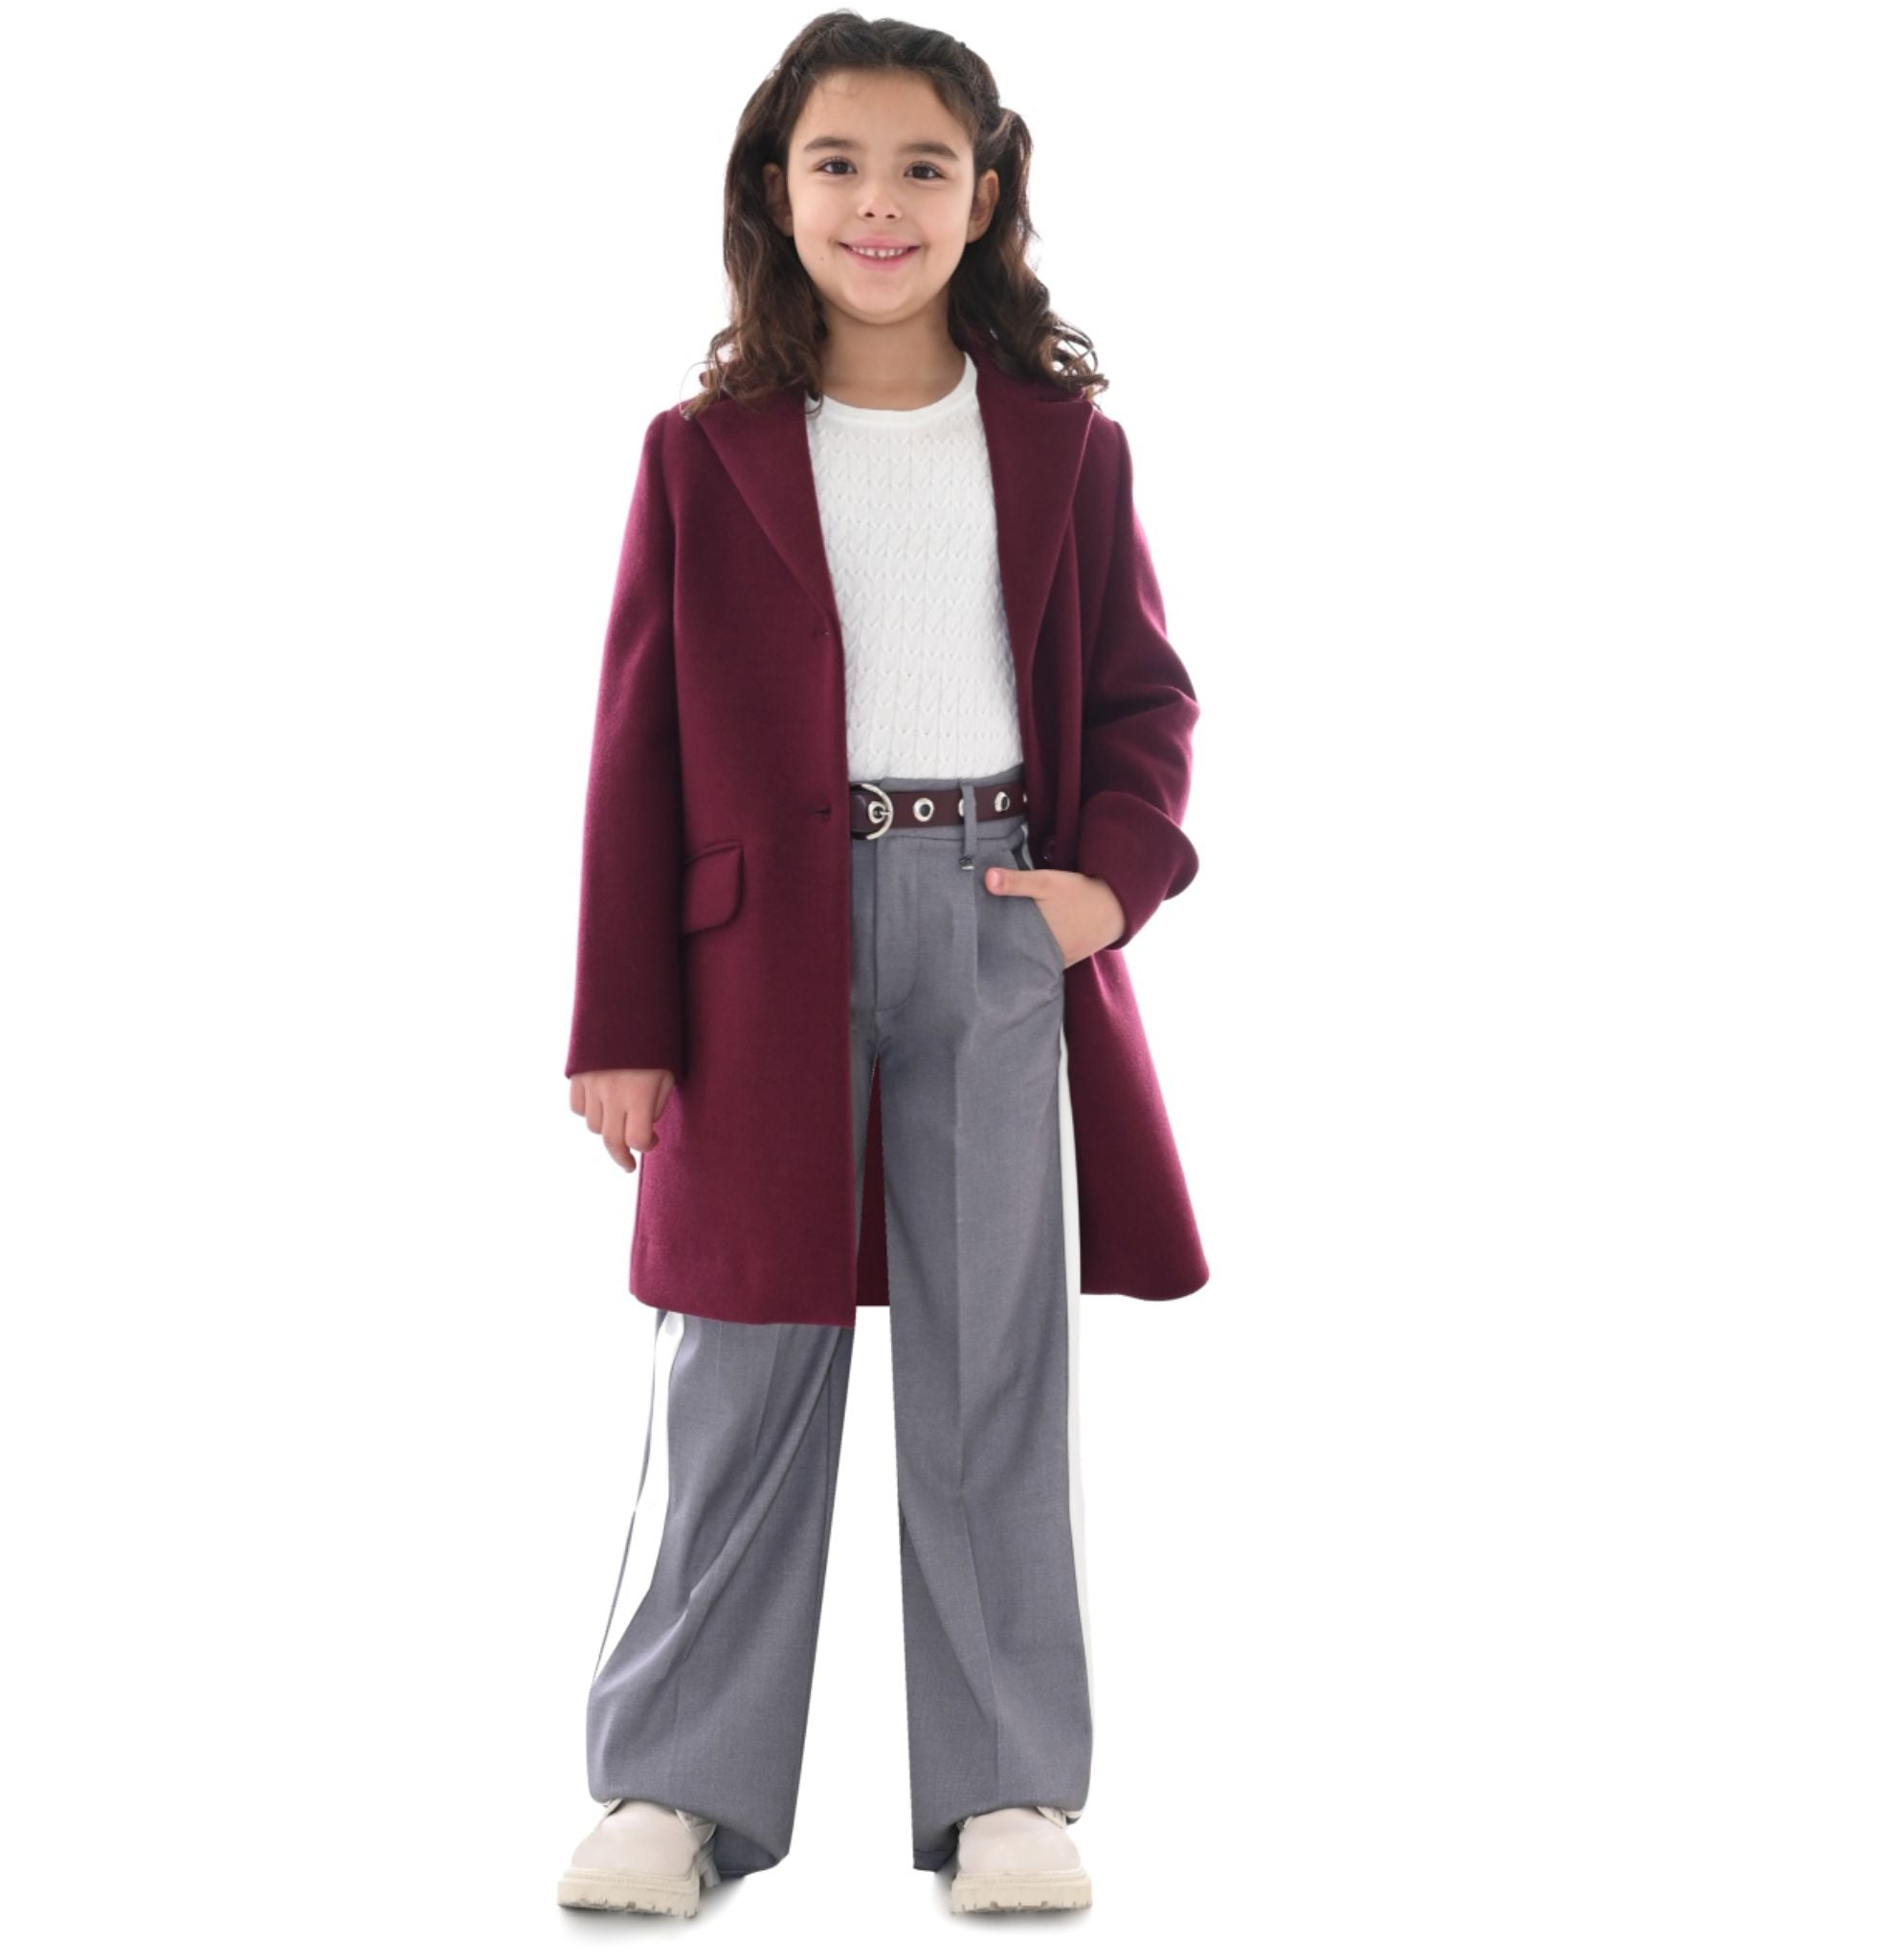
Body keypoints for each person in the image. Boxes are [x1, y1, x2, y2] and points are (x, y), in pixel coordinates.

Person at [555, 12, 1205, 1919]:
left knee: (991, 1365)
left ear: (984, 195)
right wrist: (620, 1020)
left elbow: (1145, 702)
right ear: (778, 189)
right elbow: (633, 751)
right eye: (836, 162)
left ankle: (1007, 1788)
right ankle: (673, 1785)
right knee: (741, 1365)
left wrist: (1098, 892)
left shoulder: (1067, 447)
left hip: (994, 919)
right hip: (758, 958)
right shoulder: (703, 455)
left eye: (924, 165)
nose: (879, 203)